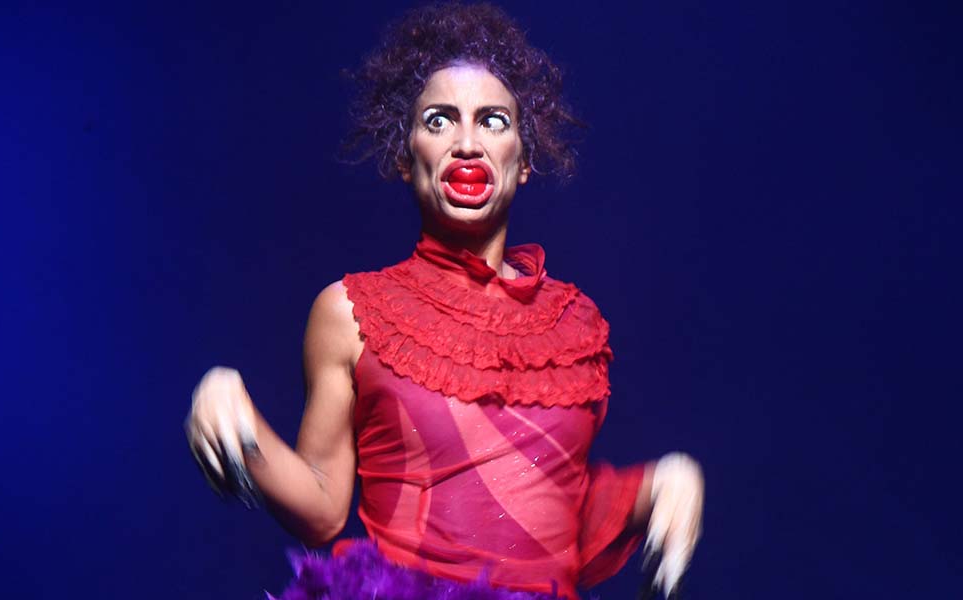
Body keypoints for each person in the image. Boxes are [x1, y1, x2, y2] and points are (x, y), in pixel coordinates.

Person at [185, 4, 703, 599]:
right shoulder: (351, 311)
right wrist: (232, 406)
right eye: (438, 121)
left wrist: (664, 483)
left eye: (492, 121)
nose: (465, 143)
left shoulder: (575, 325)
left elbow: (548, 512)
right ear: (405, 160)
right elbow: (323, 507)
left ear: (525, 162)